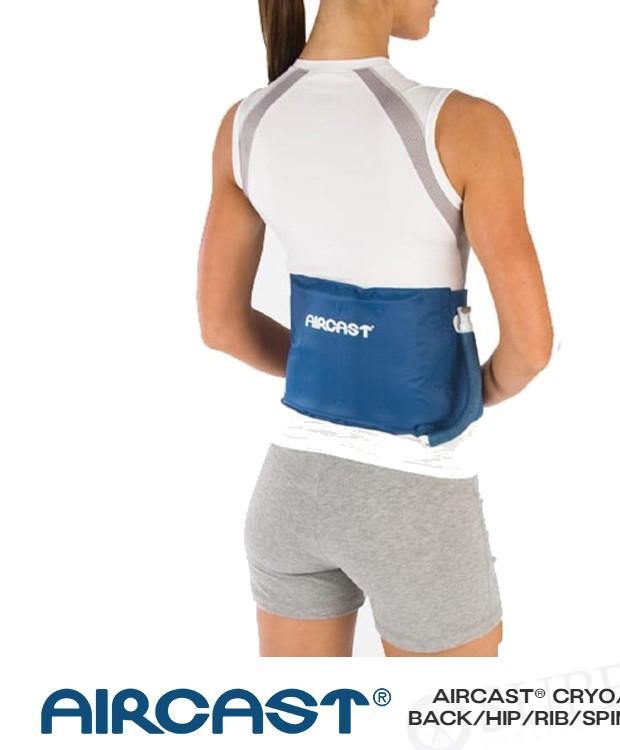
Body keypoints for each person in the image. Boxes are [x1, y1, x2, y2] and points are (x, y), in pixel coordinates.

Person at [197, 0, 553, 657]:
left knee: (303, 715)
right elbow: (530, 347)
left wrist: (333, 358)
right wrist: (467, 388)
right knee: (447, 716)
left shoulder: (244, 124)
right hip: (413, 501)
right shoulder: (463, 124)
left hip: (288, 491)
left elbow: (221, 326)